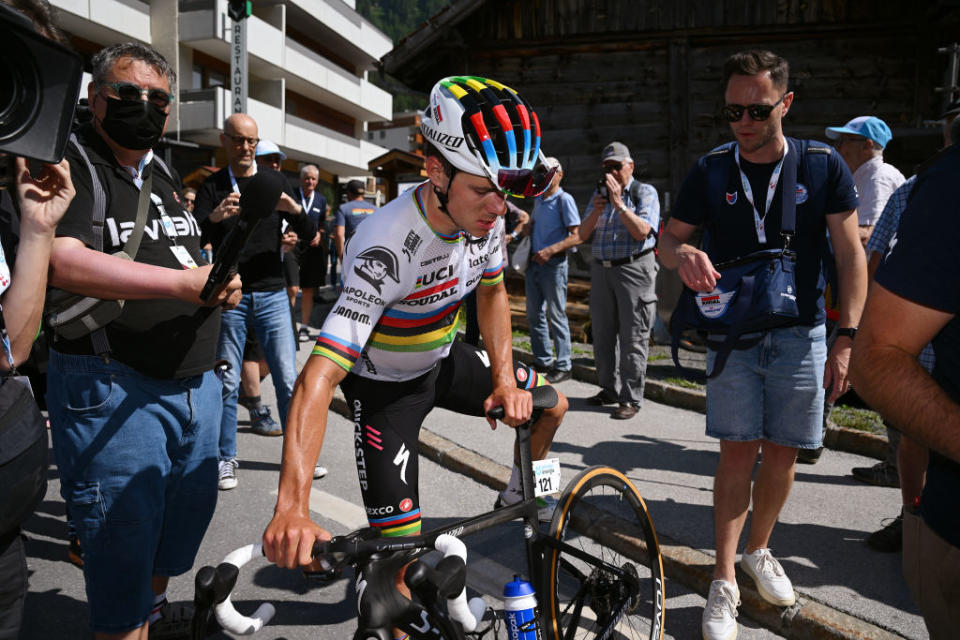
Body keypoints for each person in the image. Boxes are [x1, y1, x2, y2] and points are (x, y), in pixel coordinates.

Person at [263, 76, 568, 572]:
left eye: (507, 190)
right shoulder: (383, 244)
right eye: (483, 190)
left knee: (552, 407)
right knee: (403, 572)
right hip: (385, 394)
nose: (499, 208)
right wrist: (292, 506)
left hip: (442, 362)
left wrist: (501, 380)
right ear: (435, 172)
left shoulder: (483, 219)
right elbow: (318, 376)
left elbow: (491, 292)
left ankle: (523, 494)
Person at [659, 50, 867, 640]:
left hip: (803, 334)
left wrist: (846, 337)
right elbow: (667, 244)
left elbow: (851, 255)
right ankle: (723, 578)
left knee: (784, 452)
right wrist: (684, 254)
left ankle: (758, 549)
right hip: (735, 334)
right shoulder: (711, 169)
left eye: (757, 109)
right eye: (732, 111)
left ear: (786, 103)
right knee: (735, 453)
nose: (744, 122)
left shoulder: (822, 164)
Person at [45, 42, 242, 639]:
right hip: (115, 384)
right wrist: (183, 285)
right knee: (122, 546)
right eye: (127, 94)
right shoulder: (68, 159)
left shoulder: (158, 167)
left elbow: (170, 248)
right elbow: (62, 260)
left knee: (169, 535)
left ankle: (148, 616)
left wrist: (212, 274)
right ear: (94, 99)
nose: (145, 106)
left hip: (193, 388)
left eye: (158, 98)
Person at [849, 129, 960, 640]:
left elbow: (872, 255)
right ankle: (910, 517)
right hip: (916, 342)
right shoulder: (924, 187)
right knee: (912, 439)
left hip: (917, 336)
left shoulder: (905, 184)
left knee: (913, 440)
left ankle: (912, 520)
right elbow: (876, 257)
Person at [193, 115, 317, 490]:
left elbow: (309, 234)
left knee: (287, 378)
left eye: (251, 141)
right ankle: (226, 458)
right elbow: (194, 233)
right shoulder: (213, 185)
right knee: (228, 381)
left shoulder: (273, 181)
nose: (245, 148)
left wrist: (293, 210)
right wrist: (215, 218)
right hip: (231, 292)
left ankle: (296, 460)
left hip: (273, 290)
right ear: (224, 140)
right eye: (238, 140)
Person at [578, 141, 660, 420]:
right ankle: (609, 389)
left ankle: (631, 397)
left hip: (633, 269)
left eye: (617, 166)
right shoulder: (598, 195)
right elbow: (582, 233)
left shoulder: (644, 192)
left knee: (633, 335)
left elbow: (642, 232)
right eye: (606, 168)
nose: (611, 173)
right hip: (603, 270)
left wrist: (620, 205)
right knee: (602, 334)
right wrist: (598, 211)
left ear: (630, 166)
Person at [524, 156, 580, 383]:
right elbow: (534, 227)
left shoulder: (564, 200)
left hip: (554, 264)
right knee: (534, 314)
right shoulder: (539, 200)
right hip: (534, 264)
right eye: (541, 171)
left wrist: (549, 250)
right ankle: (543, 359)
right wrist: (528, 228)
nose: (544, 175)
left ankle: (564, 365)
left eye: (549, 171)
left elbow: (576, 236)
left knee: (556, 315)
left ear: (560, 174)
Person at [824, 116, 905, 248]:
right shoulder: (865, 176)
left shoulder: (878, 178)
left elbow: (868, 236)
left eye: (843, 141)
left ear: (867, 145)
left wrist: (818, 234)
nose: (837, 148)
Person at [295, 164, 329, 340]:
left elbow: (322, 224)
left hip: (312, 250)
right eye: (307, 178)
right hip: (292, 248)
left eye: (313, 178)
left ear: (317, 181)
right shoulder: (293, 195)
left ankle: (304, 328)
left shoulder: (321, 200)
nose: (310, 181)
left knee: (308, 290)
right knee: (292, 289)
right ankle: (289, 326)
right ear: (301, 180)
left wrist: (319, 234)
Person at [333, 179, 376, 260]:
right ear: (363, 193)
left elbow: (339, 234)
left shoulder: (343, 208)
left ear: (348, 193)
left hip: (351, 255)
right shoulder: (375, 209)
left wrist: (342, 257)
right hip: (371, 255)